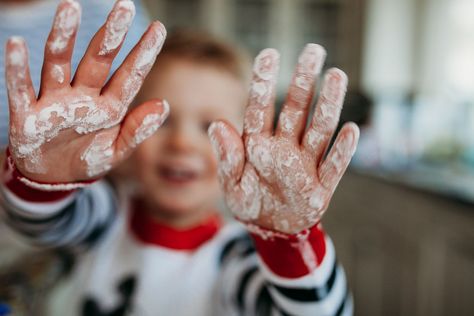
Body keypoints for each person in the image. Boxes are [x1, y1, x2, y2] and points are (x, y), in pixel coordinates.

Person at [0, 0, 359, 315]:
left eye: (209, 127)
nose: (183, 144)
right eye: (163, 119)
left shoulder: (237, 258)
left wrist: (289, 239)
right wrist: (44, 180)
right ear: (128, 126)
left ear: (249, 147)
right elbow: (38, 222)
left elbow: (320, 313)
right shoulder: (105, 217)